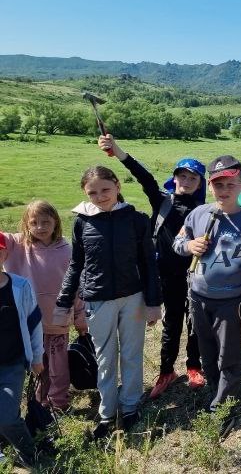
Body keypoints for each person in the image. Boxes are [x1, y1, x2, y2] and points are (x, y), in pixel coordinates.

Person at [54, 166, 161, 439]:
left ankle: (130, 406)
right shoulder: (82, 222)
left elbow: (149, 262)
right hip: (97, 300)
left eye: (105, 189)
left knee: (132, 354)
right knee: (105, 357)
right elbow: (76, 264)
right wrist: (63, 301)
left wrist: (153, 302)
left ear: (117, 185)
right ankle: (106, 412)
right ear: (84, 194)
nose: (100, 196)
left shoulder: (137, 219)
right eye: (92, 192)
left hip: (133, 298)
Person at [98, 134, 207, 399]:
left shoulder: (206, 208)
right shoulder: (162, 201)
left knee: (195, 322)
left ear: (200, 183)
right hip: (167, 274)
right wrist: (118, 151)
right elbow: (143, 175)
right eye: (182, 176)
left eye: (193, 178)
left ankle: (194, 367)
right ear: (175, 178)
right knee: (171, 323)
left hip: (198, 274)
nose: (186, 181)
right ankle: (166, 371)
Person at [173, 155, 241, 431]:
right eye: (218, 184)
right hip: (199, 299)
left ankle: (224, 409)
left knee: (230, 356)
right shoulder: (198, 214)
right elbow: (178, 241)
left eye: (231, 185)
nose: (224, 190)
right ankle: (216, 394)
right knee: (207, 352)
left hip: (230, 303)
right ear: (210, 186)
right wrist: (189, 247)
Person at [2, 201, 87, 411]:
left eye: (46, 222)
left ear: (56, 222)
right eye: (34, 222)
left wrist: (80, 316)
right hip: (28, 322)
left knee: (58, 366)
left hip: (57, 320)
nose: (40, 227)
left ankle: (58, 403)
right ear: (26, 224)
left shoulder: (67, 250)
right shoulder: (17, 245)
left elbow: (77, 287)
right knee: (38, 364)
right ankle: (40, 401)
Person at [0, 232, 43, 467]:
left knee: (6, 416)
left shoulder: (20, 286)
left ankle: (29, 452)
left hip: (12, 364)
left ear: (5, 253)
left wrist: (37, 358)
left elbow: (34, 324)